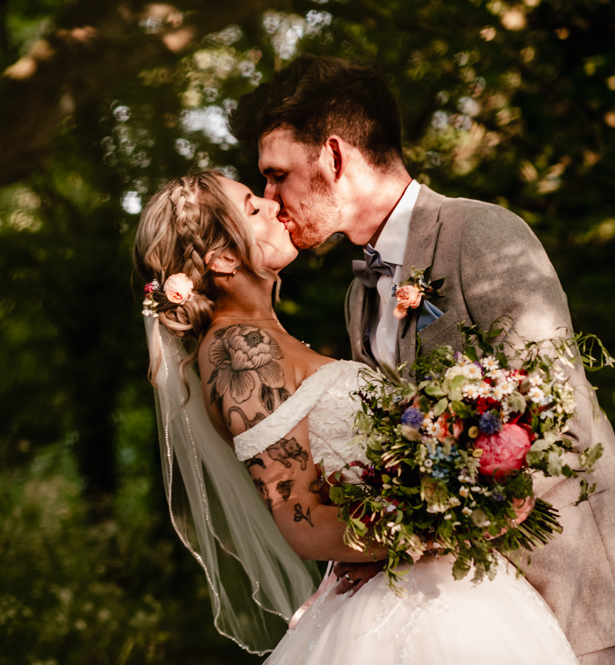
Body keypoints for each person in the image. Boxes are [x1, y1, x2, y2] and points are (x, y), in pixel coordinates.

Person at [228, 54, 615, 664]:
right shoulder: (360, 294)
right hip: (452, 607)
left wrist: (427, 532)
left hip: (566, 594)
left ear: (333, 157)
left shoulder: (482, 235)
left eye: (277, 175)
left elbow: (562, 421)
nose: (271, 199)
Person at [133, 170, 579, 663]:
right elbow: (300, 520)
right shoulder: (240, 349)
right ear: (222, 257)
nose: (272, 204)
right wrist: (448, 528)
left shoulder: (267, 337)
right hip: (410, 606)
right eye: (253, 207)